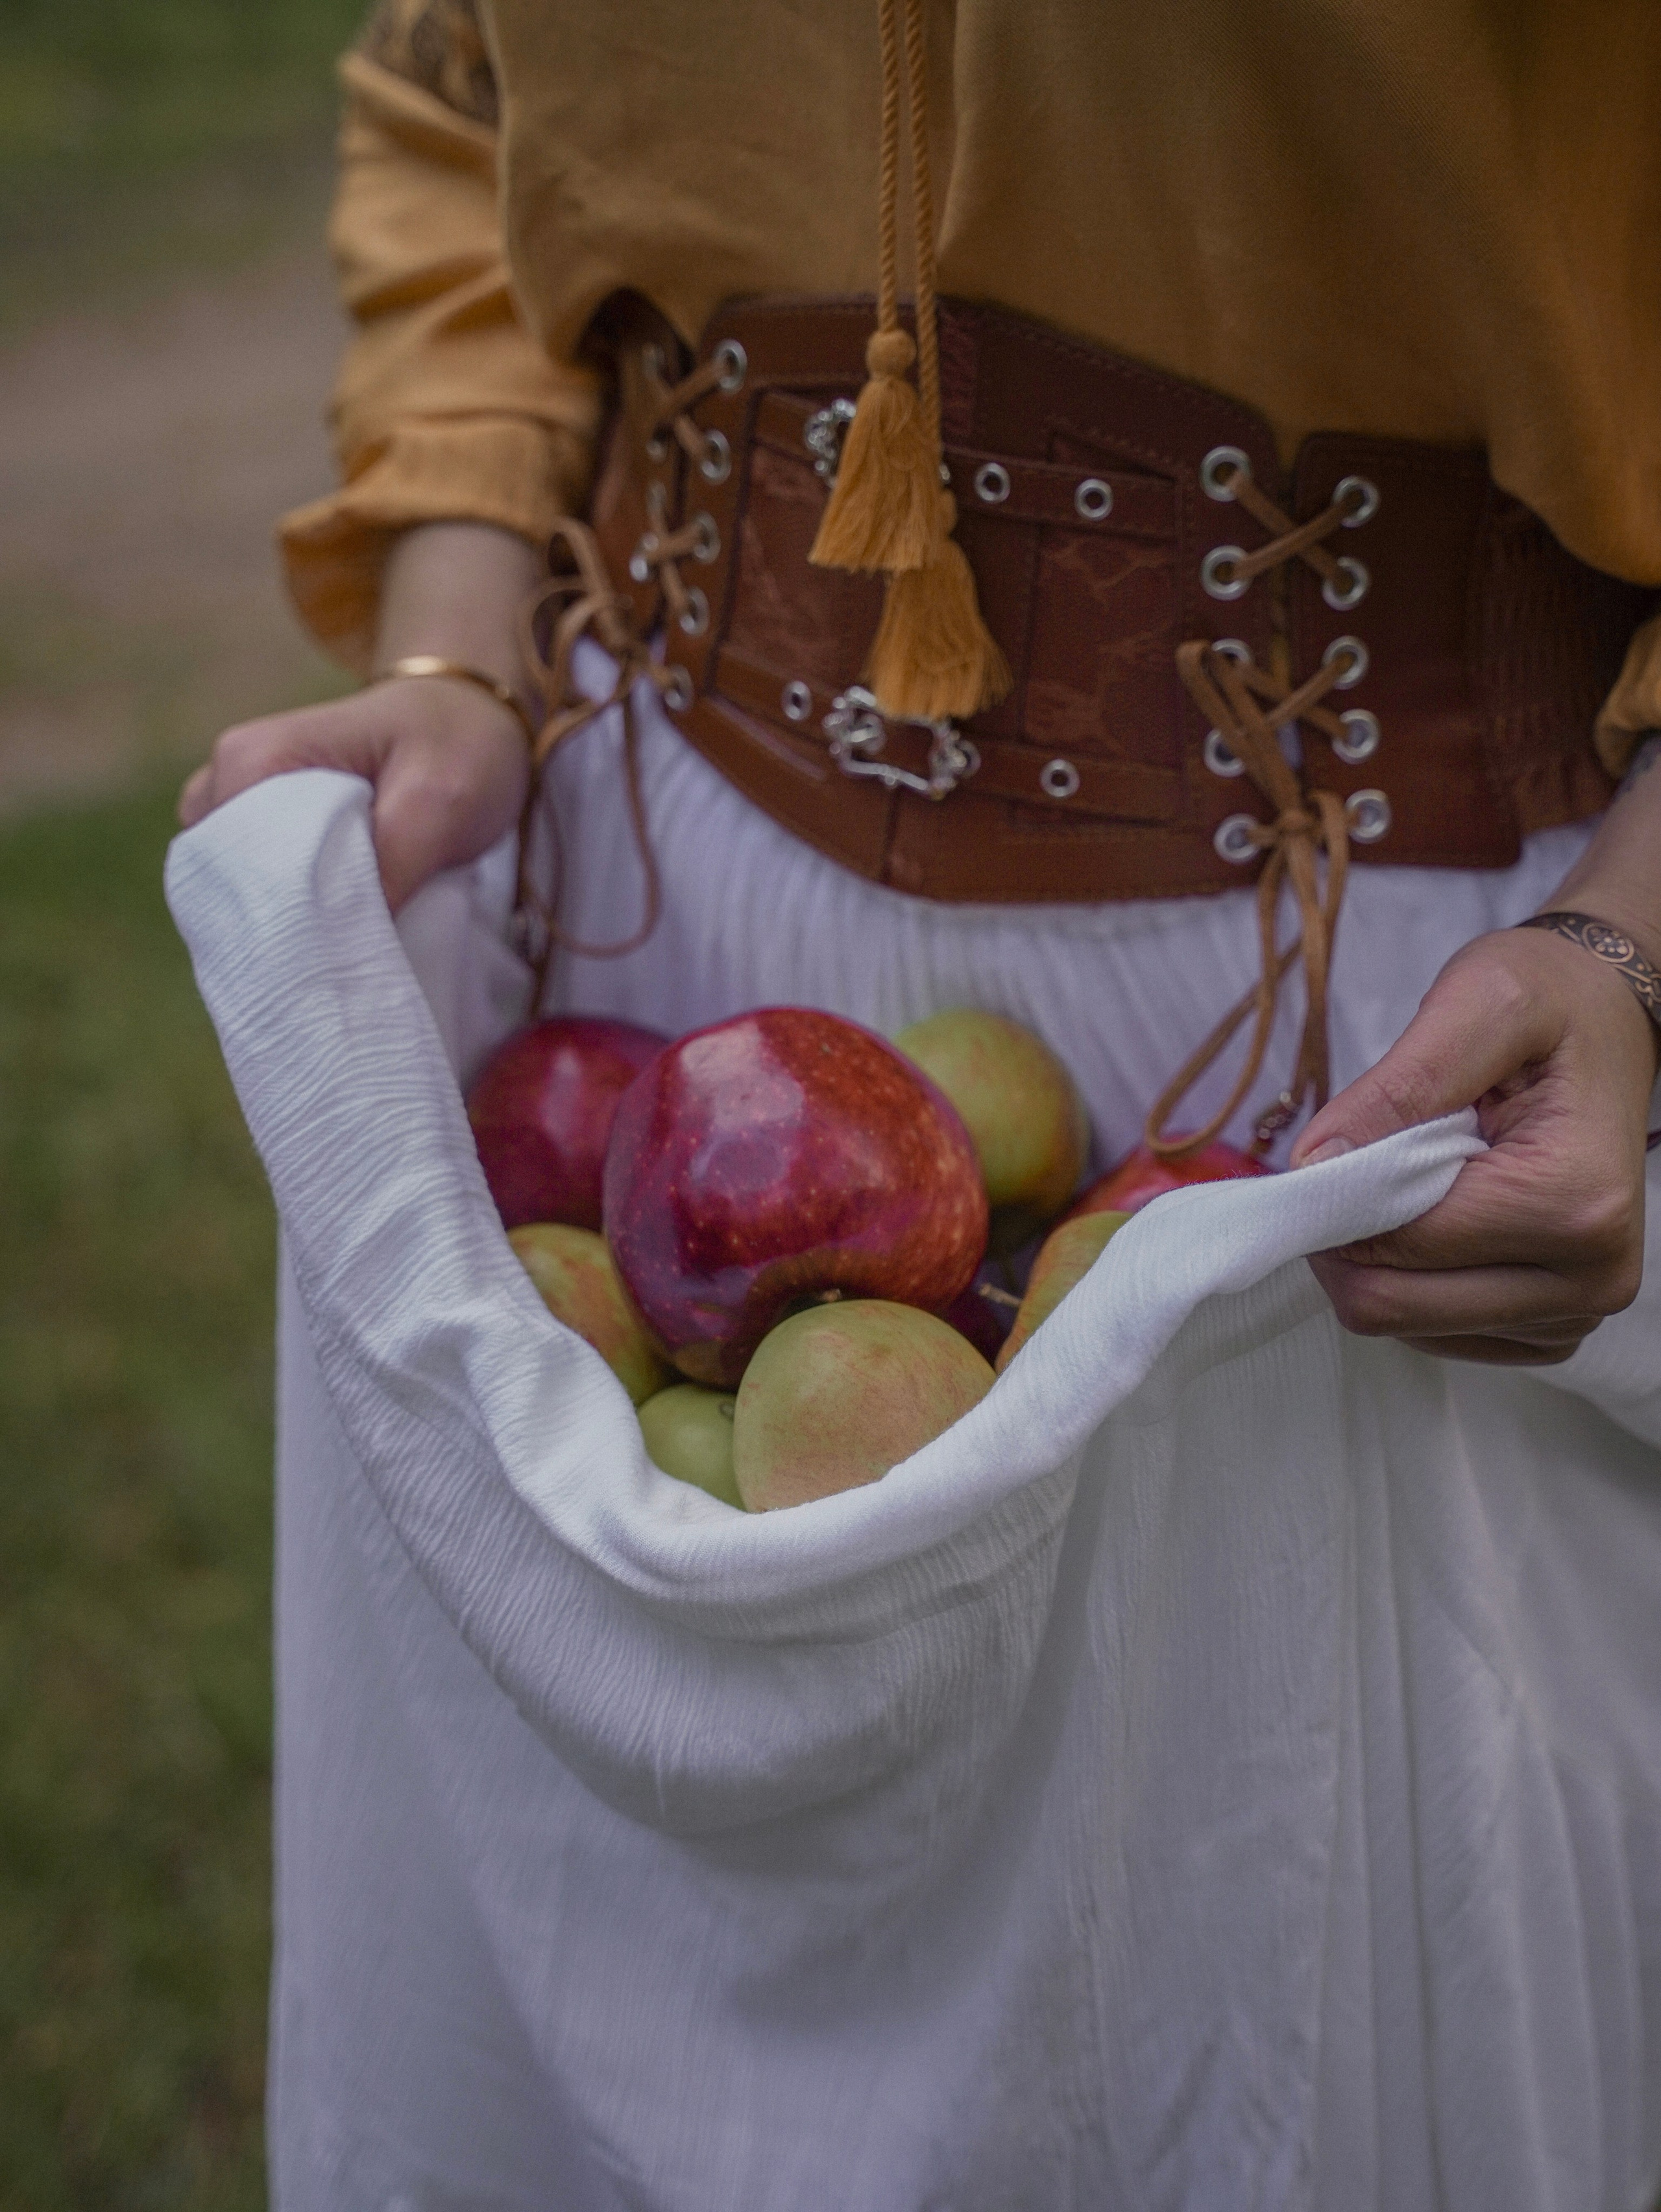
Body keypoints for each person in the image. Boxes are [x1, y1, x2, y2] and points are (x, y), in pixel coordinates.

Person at [177, 0, 1661, 2197]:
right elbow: (461, 95)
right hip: (661, 948)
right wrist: (456, 632)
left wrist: (1635, 942)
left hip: (1367, 1011)